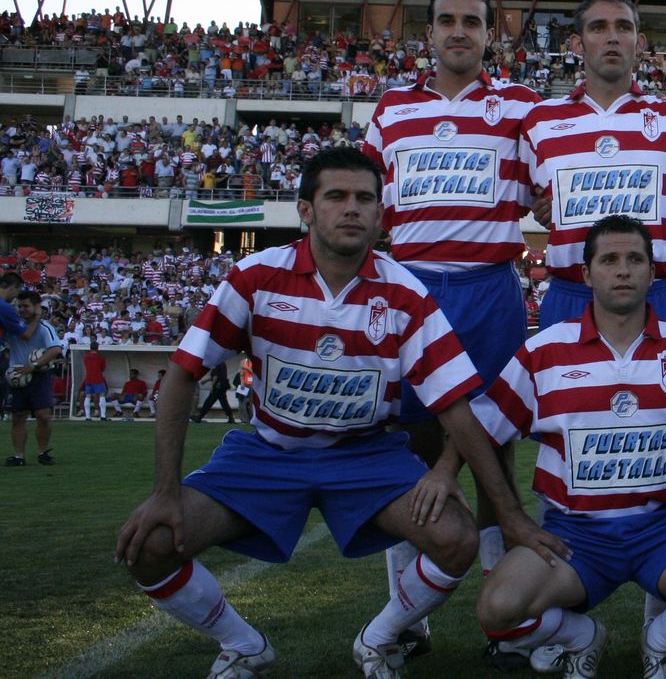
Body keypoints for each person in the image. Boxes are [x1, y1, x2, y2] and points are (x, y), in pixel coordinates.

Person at [113, 146, 553, 679]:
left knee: (456, 538)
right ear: (305, 209)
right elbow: (183, 374)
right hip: (269, 454)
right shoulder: (254, 277)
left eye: (364, 198)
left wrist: (493, 502)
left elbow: (455, 404)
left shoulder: (405, 293)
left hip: (366, 455)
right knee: (152, 547)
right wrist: (165, 491)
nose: (352, 209)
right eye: (336, 196)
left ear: (380, 214)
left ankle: (382, 637)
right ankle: (243, 643)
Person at [473, 216, 666, 678]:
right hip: (575, 535)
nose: (623, 270)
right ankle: (584, 637)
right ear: (586, 273)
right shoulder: (545, 351)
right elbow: (483, 433)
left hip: (663, 527)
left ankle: (659, 640)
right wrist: (511, 517)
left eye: (635, 259)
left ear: (653, 272)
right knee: (498, 611)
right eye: (609, 260)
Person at [362, 0, 544, 656]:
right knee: (412, 457)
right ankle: (408, 621)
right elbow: (365, 205)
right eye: (447, 20)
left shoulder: (523, 108)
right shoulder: (389, 111)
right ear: (429, 32)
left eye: (472, 20)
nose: (459, 30)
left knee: (493, 450)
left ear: (491, 33)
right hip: (409, 290)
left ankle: (507, 621)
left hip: (489, 287)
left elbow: (550, 192)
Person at [523, 0, 666, 329]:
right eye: (599, 27)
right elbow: (529, 198)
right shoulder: (539, 121)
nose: (612, 37)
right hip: (571, 295)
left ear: (640, 42)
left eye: (623, 27)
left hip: (655, 295)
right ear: (577, 44)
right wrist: (546, 208)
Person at [4, 288, 63, 466]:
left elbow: (55, 349)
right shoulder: (13, 325)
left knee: (43, 415)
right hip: (17, 375)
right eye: (19, 306)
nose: (22, 309)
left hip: (40, 375)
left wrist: (34, 365)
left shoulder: (45, 327)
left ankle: (42, 452)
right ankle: (19, 456)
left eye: (26, 306)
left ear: (36, 307)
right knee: (18, 416)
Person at [82, 338, 111, 420]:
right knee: (102, 395)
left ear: (90, 348)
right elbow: (103, 368)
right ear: (97, 348)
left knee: (87, 396)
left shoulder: (86, 357)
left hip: (88, 378)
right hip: (98, 378)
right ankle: (103, 416)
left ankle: (87, 416)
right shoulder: (101, 358)